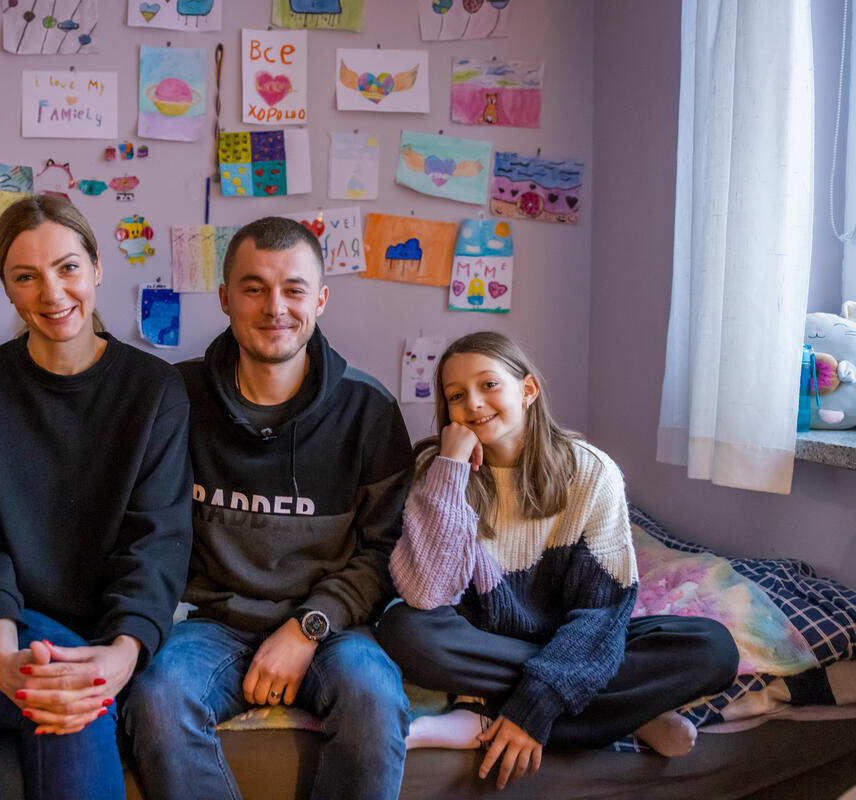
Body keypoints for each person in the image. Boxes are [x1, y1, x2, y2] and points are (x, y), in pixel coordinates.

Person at [123, 216, 415, 800]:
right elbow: (145, 527)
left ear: (321, 299)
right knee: (154, 698)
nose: (274, 307)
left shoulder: (369, 410)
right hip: (209, 625)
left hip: (330, 627)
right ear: (226, 297)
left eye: (294, 289)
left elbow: (386, 552)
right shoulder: (177, 397)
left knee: (376, 697)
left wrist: (307, 628)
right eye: (254, 288)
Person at [375, 331, 740, 790]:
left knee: (713, 648)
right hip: (483, 638)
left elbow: (601, 613)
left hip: (573, 639)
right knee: (403, 629)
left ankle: (485, 715)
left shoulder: (591, 471)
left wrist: (535, 706)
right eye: (455, 396)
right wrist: (449, 467)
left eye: (489, 385)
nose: (473, 403)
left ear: (527, 390)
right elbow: (427, 593)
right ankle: (627, 713)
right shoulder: (440, 471)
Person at [0, 194, 191, 800]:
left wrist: (122, 656)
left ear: (97, 268)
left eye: (68, 267)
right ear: (8, 290)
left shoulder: (154, 390)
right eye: (27, 277)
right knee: (76, 702)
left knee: (7, 778)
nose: (52, 293)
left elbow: (159, 542)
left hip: (101, 641)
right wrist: (0, 654)